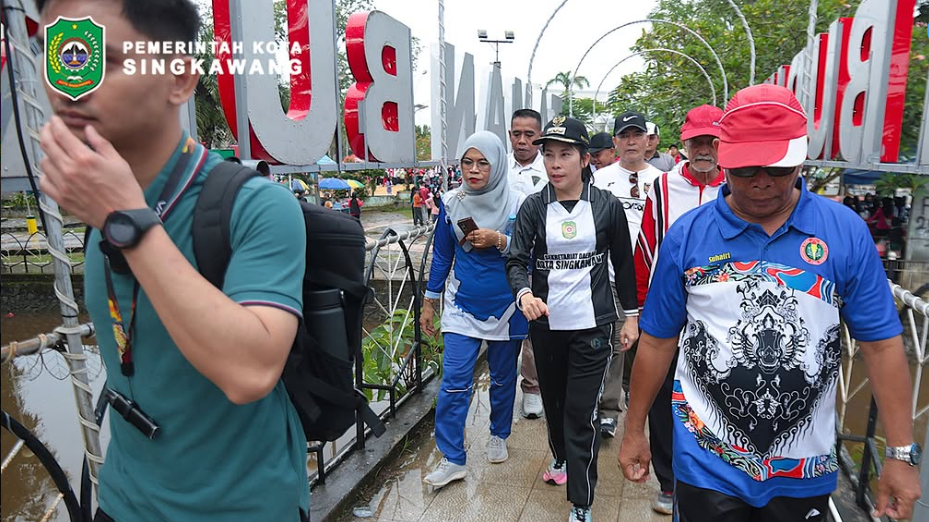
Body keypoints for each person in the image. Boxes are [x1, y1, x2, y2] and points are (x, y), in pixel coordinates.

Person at [35, 1, 309, 521]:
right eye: (59, 56)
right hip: (123, 500)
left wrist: (128, 222)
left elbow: (250, 372)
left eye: (103, 59)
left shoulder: (258, 207)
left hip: (243, 508)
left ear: (179, 78)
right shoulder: (96, 204)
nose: (70, 85)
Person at [620, 84, 922, 521]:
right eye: (745, 169)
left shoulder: (844, 232)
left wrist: (899, 454)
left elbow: (881, 345)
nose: (761, 181)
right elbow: (657, 342)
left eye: (777, 168)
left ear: (801, 158)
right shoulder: (687, 235)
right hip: (706, 467)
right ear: (723, 158)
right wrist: (634, 430)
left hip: (803, 468)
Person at [506, 117, 639, 522]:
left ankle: (581, 503)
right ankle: (561, 456)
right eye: (549, 155)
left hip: (593, 326)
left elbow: (624, 264)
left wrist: (630, 318)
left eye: (565, 154)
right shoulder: (534, 206)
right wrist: (525, 294)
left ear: (584, 159)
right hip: (547, 326)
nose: (555, 163)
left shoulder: (607, 206)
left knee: (581, 414)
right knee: (555, 403)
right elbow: (515, 260)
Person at [631, 104, 726, 515]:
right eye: (696, 141)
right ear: (684, 144)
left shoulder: (736, 186)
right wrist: (637, 310)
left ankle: (715, 473)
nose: (703, 149)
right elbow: (645, 250)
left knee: (714, 394)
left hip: (719, 315)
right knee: (662, 397)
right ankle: (669, 481)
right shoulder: (664, 187)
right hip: (669, 311)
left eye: (711, 141)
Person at [420, 131, 527, 488]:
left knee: (503, 378)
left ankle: (499, 433)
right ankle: (452, 457)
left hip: (508, 306)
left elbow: (532, 252)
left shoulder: (518, 203)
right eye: (467, 162)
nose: (474, 170)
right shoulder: (452, 202)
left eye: (483, 163)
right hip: (461, 305)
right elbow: (442, 255)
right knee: (453, 381)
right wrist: (429, 301)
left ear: (497, 166)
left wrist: (500, 241)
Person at [591, 111, 663, 438]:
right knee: (616, 342)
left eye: (637, 135)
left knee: (646, 343)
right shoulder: (601, 179)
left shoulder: (663, 181)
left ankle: (636, 393)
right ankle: (609, 409)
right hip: (612, 277)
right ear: (615, 142)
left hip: (652, 279)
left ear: (648, 140)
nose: (631, 141)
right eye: (625, 135)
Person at [506, 108, 547, 419]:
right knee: (504, 326)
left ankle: (532, 388)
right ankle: (503, 385)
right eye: (516, 134)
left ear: (539, 136)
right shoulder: (497, 166)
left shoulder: (550, 169)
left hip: (537, 259)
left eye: (529, 135)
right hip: (500, 258)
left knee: (534, 325)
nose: (522, 140)